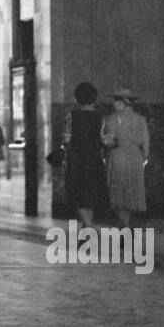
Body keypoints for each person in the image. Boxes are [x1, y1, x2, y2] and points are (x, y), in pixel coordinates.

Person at [101, 87, 149, 229]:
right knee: (132, 194)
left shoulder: (114, 118)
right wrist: (144, 157)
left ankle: (125, 227)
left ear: (121, 103)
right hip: (135, 157)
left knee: (118, 195)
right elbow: (146, 141)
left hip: (118, 156)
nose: (114, 104)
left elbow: (109, 139)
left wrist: (103, 142)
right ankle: (128, 226)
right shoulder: (140, 119)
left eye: (115, 101)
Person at [65, 81, 109, 229]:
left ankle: (88, 227)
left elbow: (67, 138)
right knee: (90, 194)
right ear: (94, 99)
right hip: (94, 158)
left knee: (77, 194)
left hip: (77, 157)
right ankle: (87, 228)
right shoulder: (100, 117)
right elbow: (103, 138)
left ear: (76, 99)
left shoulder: (72, 115)